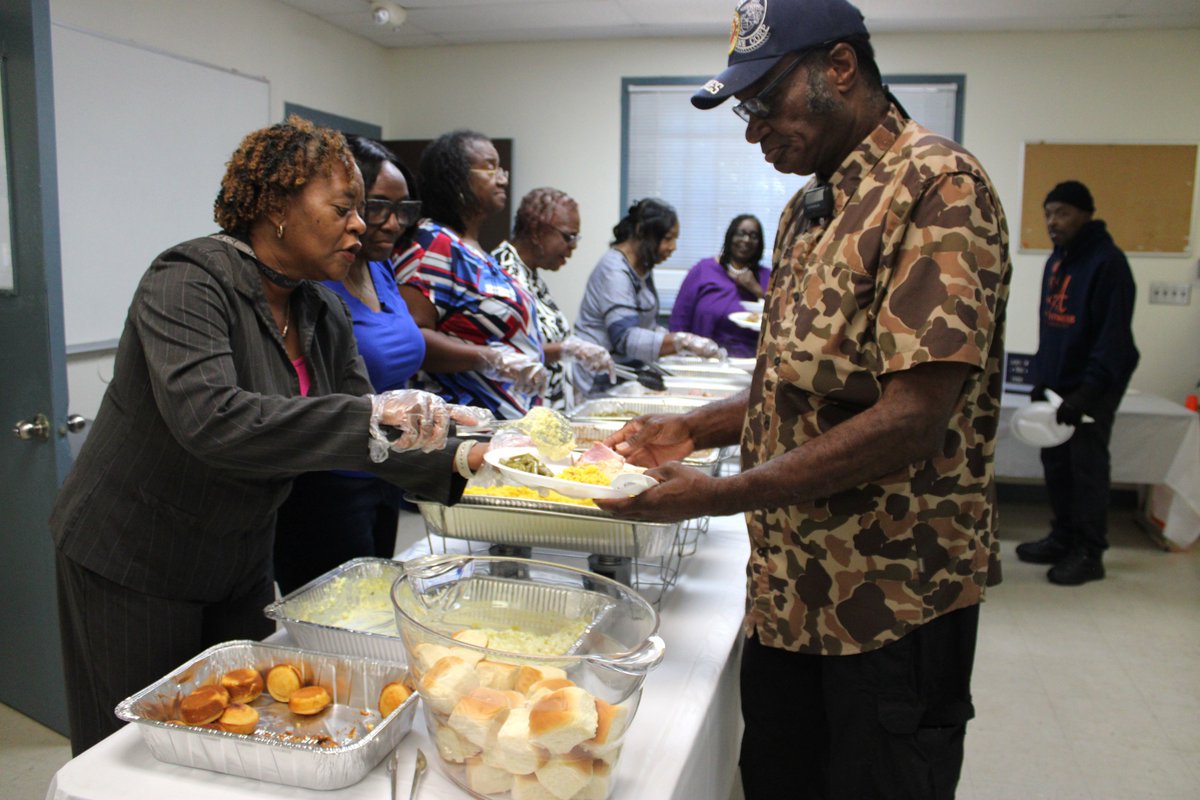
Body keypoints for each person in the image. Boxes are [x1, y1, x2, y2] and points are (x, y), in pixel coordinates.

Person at [596, 2, 1012, 797]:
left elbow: (910, 419)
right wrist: (691, 427)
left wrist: (717, 496)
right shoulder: (809, 208)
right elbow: (793, 379)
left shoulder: (938, 188)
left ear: (841, 68)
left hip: (890, 603)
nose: (754, 132)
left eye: (764, 102)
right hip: (792, 591)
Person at [48, 117, 491, 755]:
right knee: (134, 750)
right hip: (134, 555)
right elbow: (214, 420)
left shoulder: (322, 306)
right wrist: (371, 414)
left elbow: (366, 434)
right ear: (276, 206)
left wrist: (470, 455)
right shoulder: (187, 281)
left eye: (362, 211)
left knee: (236, 725)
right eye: (344, 208)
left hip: (238, 554)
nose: (362, 225)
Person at [272, 136, 427, 595]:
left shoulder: (380, 268)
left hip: (383, 468)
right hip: (328, 481)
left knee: (377, 602)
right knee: (337, 616)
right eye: (376, 206)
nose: (390, 223)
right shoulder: (317, 279)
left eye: (404, 209)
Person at [1018, 180, 1138, 585]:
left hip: (1093, 386)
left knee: (1085, 469)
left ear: (1086, 214)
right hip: (1057, 385)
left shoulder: (1108, 263)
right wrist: (1041, 378)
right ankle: (1063, 536)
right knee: (1057, 464)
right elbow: (1051, 328)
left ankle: (1089, 552)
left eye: (1063, 213)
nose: (1053, 221)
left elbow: (1114, 339)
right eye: (1048, 213)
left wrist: (1087, 392)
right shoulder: (1057, 260)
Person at [399, 130, 547, 419]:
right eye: (490, 167)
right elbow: (413, 337)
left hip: (503, 425)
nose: (503, 178)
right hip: (464, 429)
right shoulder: (433, 244)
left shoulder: (474, 250)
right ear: (454, 178)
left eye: (501, 168)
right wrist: (491, 359)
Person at [572, 197, 724, 397]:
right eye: (668, 238)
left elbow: (646, 325)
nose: (673, 247)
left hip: (627, 372)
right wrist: (682, 341)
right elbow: (625, 338)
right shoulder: (614, 271)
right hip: (600, 378)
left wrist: (674, 344)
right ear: (643, 234)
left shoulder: (643, 266)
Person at [493, 187, 614, 410]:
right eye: (568, 236)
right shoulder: (502, 274)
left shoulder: (530, 275)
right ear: (537, 231)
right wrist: (570, 350)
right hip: (516, 416)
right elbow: (511, 353)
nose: (574, 246)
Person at [669, 214, 771, 357]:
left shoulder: (768, 277)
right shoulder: (703, 270)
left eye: (754, 236)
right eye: (741, 233)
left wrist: (757, 290)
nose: (746, 240)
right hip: (702, 358)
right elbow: (679, 318)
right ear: (730, 237)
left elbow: (781, 322)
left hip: (749, 363)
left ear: (760, 243)